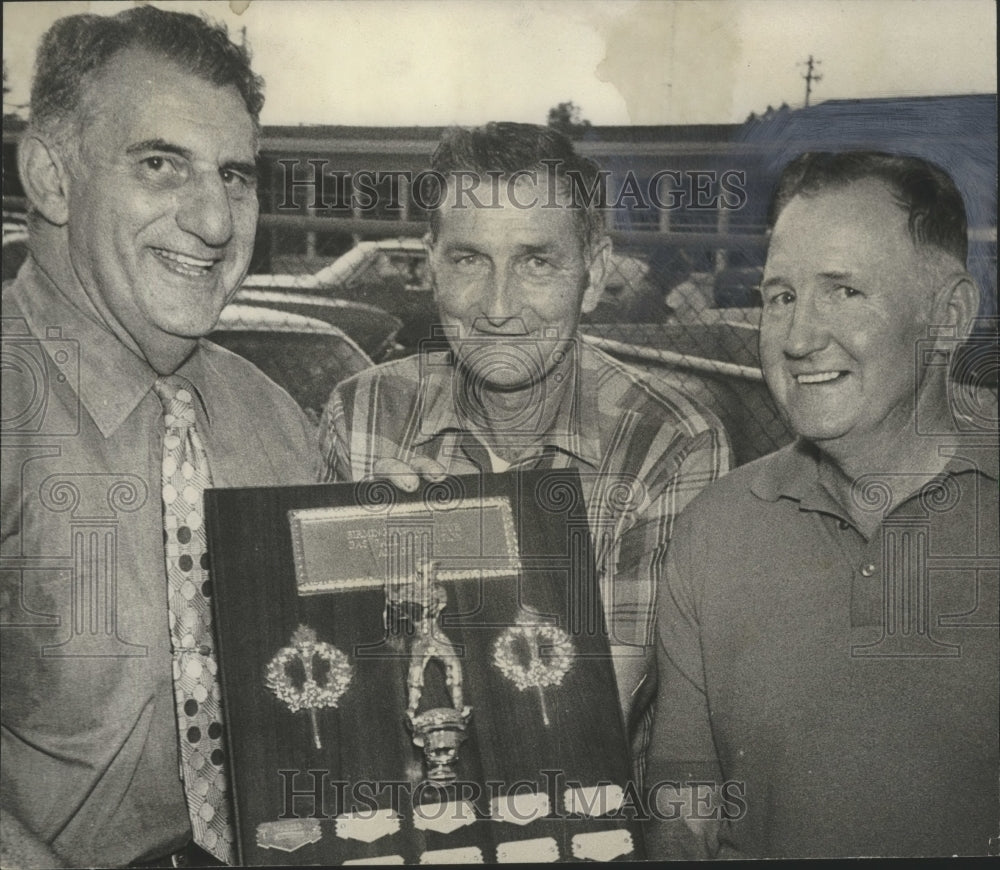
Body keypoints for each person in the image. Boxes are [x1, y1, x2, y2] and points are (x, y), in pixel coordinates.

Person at [1, 7, 319, 868]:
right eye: (159, 165)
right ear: (51, 177)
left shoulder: (277, 421)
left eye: (236, 176)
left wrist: (404, 557)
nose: (215, 222)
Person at [320, 122, 732, 772]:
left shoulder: (668, 442)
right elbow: (328, 707)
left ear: (593, 276)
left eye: (537, 261)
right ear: (430, 264)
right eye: (469, 260)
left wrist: (453, 556)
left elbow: (580, 727)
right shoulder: (363, 413)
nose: (499, 307)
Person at [644, 151, 999, 858]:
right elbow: (682, 820)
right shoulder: (714, 532)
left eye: (845, 292)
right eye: (781, 297)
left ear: (950, 314)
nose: (800, 339)